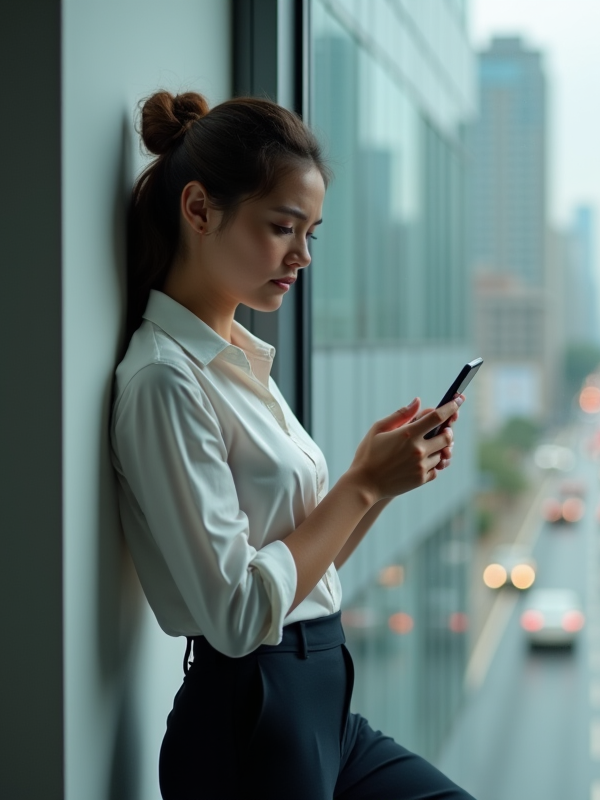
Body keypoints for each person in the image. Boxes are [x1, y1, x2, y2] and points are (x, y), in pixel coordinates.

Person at [111, 90, 475, 799]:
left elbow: (310, 563)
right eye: (283, 228)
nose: (302, 255)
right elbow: (241, 616)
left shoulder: (242, 362)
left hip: (323, 710)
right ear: (198, 209)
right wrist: (361, 485)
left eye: (312, 233)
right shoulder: (164, 380)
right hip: (252, 724)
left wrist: (381, 481)